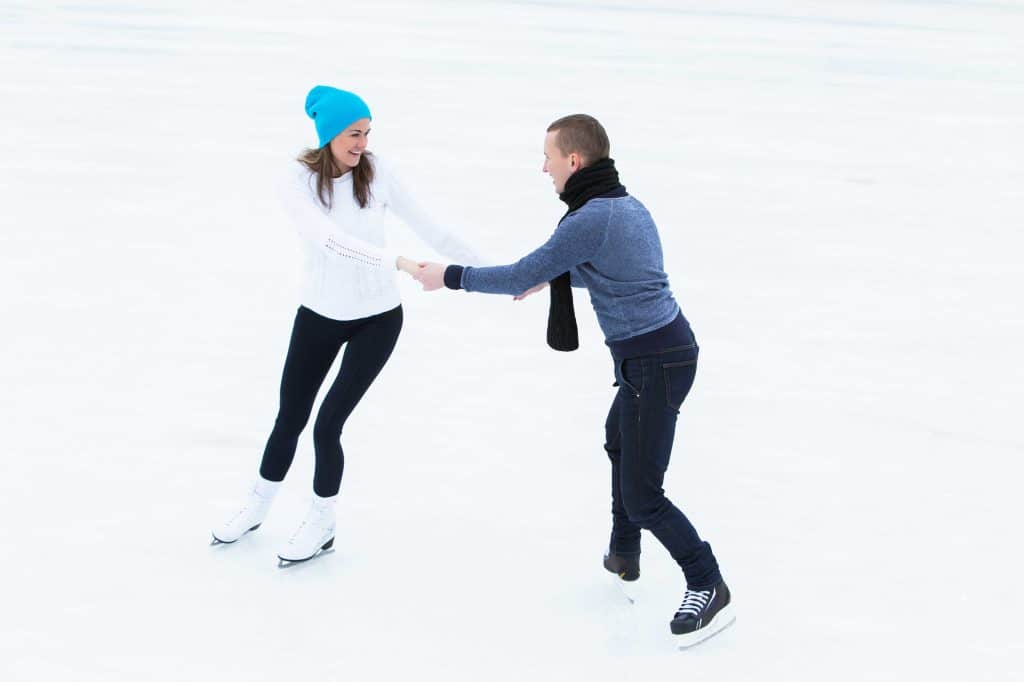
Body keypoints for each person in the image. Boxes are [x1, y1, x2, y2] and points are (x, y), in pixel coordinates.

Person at [414, 114, 733, 647]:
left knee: (644, 495)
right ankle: (624, 552)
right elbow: (616, 270)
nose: (544, 168)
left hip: (656, 361)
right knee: (618, 443)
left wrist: (449, 277)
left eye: (548, 157)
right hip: (655, 356)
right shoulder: (624, 205)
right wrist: (554, 275)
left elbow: (520, 271)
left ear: (574, 161)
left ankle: (707, 582)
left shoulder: (590, 219)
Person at [211, 85, 482, 565]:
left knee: (327, 425)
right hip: (318, 315)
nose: (362, 144)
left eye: (367, 133)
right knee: (288, 420)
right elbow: (329, 240)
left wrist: (491, 272)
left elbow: (430, 227)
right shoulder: (296, 181)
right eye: (354, 134)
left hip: (377, 321)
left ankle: (322, 524)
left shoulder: (377, 172)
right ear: (329, 134)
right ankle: (257, 505)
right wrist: (396, 261)